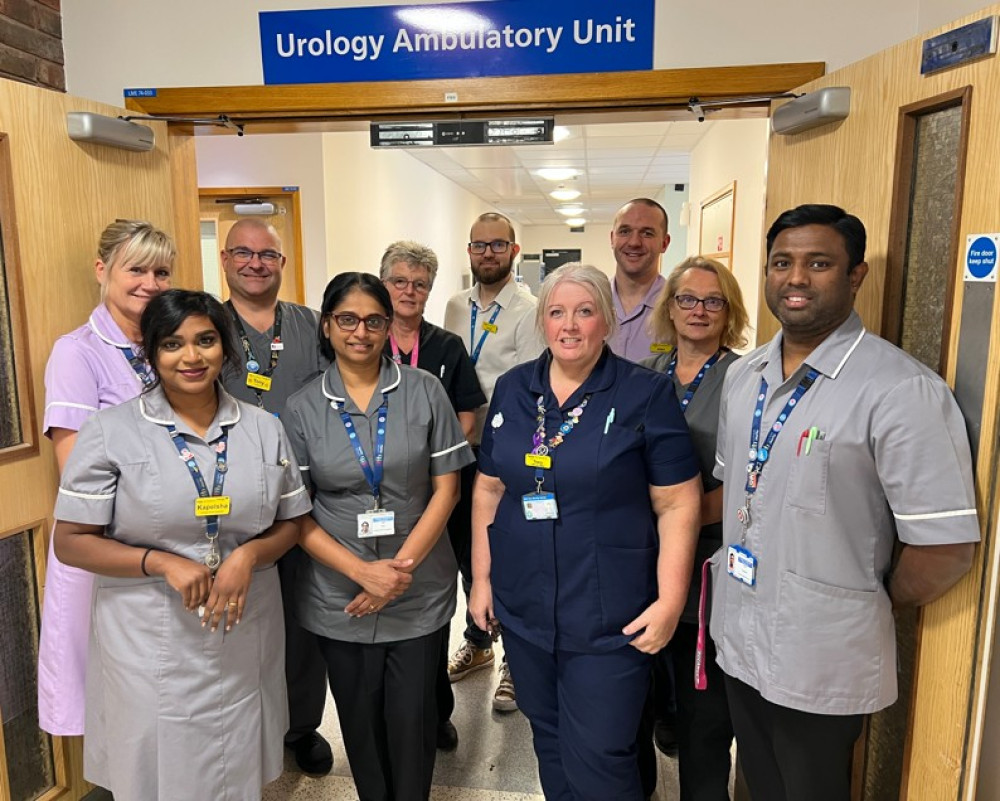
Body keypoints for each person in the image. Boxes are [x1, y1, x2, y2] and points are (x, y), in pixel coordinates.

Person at [712, 204, 979, 801]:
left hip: (822, 653)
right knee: (758, 783)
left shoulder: (900, 389)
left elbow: (946, 547)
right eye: (783, 262)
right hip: (741, 637)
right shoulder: (744, 375)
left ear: (855, 275)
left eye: (819, 263)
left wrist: (860, 600)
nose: (796, 278)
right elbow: (740, 486)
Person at [52, 289, 310, 801]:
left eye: (205, 341)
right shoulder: (110, 431)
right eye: (172, 344)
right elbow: (71, 542)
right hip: (148, 632)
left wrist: (250, 555)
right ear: (151, 354)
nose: (191, 357)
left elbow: (292, 522)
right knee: (155, 763)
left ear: (226, 348)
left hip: (242, 622)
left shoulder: (261, 429)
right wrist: (158, 562)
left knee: (234, 759)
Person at [469, 263, 702, 800]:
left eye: (584, 311)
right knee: (547, 738)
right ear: (542, 322)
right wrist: (483, 581)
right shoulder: (513, 388)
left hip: (608, 613)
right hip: (525, 608)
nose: (569, 325)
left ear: (607, 322)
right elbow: (488, 489)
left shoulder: (645, 393)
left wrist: (670, 600)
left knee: (601, 751)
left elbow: (677, 501)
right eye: (556, 312)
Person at [284, 272, 475, 801]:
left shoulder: (424, 391)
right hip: (338, 594)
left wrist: (396, 573)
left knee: (414, 725)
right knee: (360, 727)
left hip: (417, 590)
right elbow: (296, 513)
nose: (360, 332)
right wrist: (361, 573)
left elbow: (447, 491)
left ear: (389, 326)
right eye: (347, 319)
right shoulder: (301, 408)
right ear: (327, 326)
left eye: (373, 320)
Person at [38, 219, 175, 737]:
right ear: (102, 270)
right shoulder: (77, 352)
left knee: (156, 688)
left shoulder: (167, 347)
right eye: (135, 269)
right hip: (106, 545)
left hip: (164, 538)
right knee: (111, 695)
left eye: (161, 271)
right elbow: (76, 470)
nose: (150, 283)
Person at [219, 217, 333, 774]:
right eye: (243, 253)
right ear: (225, 259)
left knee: (302, 620)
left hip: (303, 503)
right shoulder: (206, 325)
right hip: (228, 502)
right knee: (235, 621)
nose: (255, 263)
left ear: (283, 264)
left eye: (267, 255)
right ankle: (242, 728)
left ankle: (300, 727)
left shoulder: (312, 326)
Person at [642, 256, 750, 801]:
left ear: (729, 312)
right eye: (688, 298)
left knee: (704, 718)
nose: (699, 310)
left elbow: (752, 482)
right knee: (642, 699)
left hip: (709, 565)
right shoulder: (647, 372)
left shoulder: (746, 378)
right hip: (641, 559)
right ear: (670, 306)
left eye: (714, 301)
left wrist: (673, 516)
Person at [380, 240, 486, 751]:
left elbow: (468, 418)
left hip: (442, 493)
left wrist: (430, 466)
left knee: (431, 601)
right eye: (399, 281)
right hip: (377, 499)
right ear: (383, 285)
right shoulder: (362, 341)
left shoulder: (446, 347)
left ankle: (436, 710)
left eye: (419, 283)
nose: (409, 291)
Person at [444, 212, 544, 712]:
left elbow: (530, 387)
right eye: (479, 245)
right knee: (469, 555)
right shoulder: (454, 306)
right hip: (460, 449)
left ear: (514, 250)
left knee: (507, 556)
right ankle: (480, 643)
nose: (488, 253)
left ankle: (514, 661)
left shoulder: (530, 309)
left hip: (504, 455)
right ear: (469, 251)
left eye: (497, 245)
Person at [608, 198, 671, 361]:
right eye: (624, 231)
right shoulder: (591, 301)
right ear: (612, 239)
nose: (634, 242)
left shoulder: (678, 307)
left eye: (647, 233)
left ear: (664, 243)